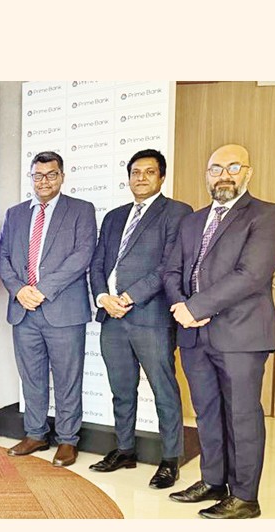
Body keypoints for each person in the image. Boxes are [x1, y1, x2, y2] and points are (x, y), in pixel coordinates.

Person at [164, 144, 275, 518]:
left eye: (234, 167)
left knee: (241, 416)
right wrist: (182, 308)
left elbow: (251, 275)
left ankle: (245, 497)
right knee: (207, 413)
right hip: (194, 336)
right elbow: (172, 271)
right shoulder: (192, 221)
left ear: (248, 172)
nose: (224, 175)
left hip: (241, 335)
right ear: (207, 175)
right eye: (216, 168)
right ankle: (214, 481)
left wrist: (196, 308)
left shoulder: (268, 215)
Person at [88, 150, 192, 488]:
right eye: (135, 172)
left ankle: (170, 459)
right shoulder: (114, 216)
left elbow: (169, 265)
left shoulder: (177, 212)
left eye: (149, 172)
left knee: (163, 389)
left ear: (162, 177)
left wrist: (128, 297)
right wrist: (103, 297)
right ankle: (124, 449)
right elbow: (98, 263)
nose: (141, 178)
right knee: (121, 389)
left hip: (151, 317)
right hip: (112, 317)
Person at [0, 151, 96, 467]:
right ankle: (36, 433)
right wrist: (19, 290)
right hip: (23, 309)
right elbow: (3, 257)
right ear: (31, 177)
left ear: (62, 176)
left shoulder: (80, 210)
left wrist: (41, 290)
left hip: (63, 309)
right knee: (31, 377)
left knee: (68, 378)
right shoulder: (15, 214)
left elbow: (82, 255)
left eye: (51, 174)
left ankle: (67, 439)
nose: (44, 181)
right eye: (38, 175)